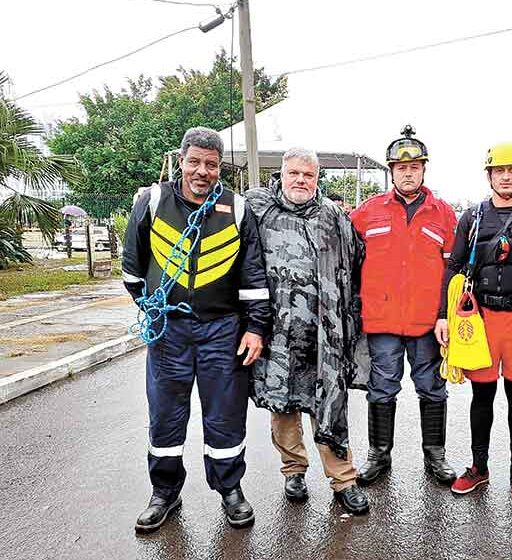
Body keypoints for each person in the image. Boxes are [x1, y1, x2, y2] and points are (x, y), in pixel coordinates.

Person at [123, 127, 270, 532]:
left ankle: (230, 490)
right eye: (195, 162)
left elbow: (253, 276)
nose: (202, 171)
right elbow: (132, 271)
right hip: (168, 330)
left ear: (219, 167)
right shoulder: (151, 203)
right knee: (166, 415)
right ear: (181, 162)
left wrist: (255, 329)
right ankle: (164, 492)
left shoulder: (237, 209)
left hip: (223, 330)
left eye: (211, 164)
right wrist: (153, 311)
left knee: (225, 415)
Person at [247, 147, 369, 515]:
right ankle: (293, 472)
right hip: (277, 333)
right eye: (294, 174)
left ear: (317, 179)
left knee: (329, 403)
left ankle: (343, 479)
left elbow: (358, 259)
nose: (301, 181)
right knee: (283, 406)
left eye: (308, 175)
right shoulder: (258, 210)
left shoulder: (333, 216)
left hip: (324, 334)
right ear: (282, 174)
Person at [435, 143, 512, 503]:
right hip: (482, 319)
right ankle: (479, 467)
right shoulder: (471, 217)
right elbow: (453, 267)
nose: (506, 176)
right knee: (481, 396)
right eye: (499, 170)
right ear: (489, 175)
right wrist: (443, 315)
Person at [350, 125, 458, 486]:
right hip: (381, 322)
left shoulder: (444, 214)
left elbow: (454, 272)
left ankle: (435, 455)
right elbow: (347, 259)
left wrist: (446, 316)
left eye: (414, 167)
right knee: (382, 388)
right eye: (400, 167)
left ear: (424, 169)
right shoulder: (367, 212)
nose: (407, 172)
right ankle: (378, 454)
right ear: (391, 170)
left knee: (432, 387)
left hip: (428, 323)